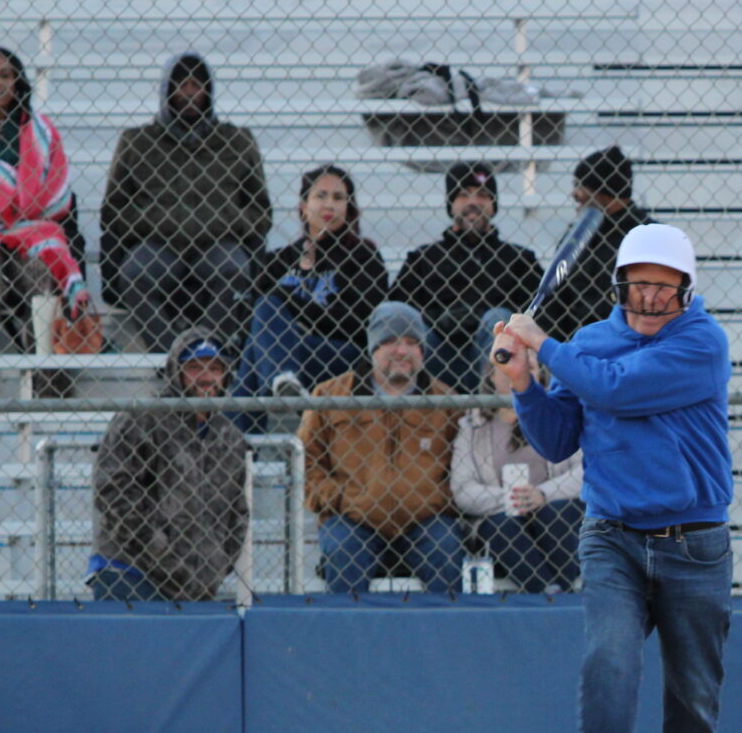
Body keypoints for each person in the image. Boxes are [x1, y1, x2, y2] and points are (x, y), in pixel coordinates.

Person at [494, 224, 742, 733]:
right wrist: (524, 383)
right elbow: (557, 440)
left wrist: (542, 344)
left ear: (686, 289)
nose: (651, 298)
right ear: (620, 285)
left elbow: (618, 389)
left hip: (695, 541)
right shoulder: (589, 343)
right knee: (608, 665)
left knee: (694, 692)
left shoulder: (702, 342)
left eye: (664, 287)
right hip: (612, 537)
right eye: (639, 285)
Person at [101, 51, 271, 352]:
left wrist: (224, 219)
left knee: (235, 268)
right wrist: (159, 219)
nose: (190, 93)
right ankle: (171, 360)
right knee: (134, 273)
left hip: (217, 243)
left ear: (209, 91)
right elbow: (114, 210)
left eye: (197, 85)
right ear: (167, 90)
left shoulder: (237, 141)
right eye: (181, 85)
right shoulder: (137, 141)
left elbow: (260, 211)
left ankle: (206, 356)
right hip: (158, 244)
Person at [298, 301, 464, 595]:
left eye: (412, 343)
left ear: (422, 351)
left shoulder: (446, 401)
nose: (402, 351)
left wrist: (430, 499)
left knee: (447, 548)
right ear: (373, 348)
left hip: (426, 522)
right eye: (391, 341)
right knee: (342, 550)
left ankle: (444, 624)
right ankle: (348, 625)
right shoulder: (330, 395)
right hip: (352, 520)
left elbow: (465, 467)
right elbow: (306, 462)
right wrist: (343, 498)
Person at [86, 328, 248, 602]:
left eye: (215, 368)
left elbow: (237, 511)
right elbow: (112, 488)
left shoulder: (229, 436)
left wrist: (217, 562)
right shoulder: (143, 416)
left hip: (193, 586)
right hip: (130, 572)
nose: (206, 377)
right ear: (175, 371)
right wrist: (158, 547)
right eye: (194, 367)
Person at [238, 164, 389, 411]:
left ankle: (276, 388)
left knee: (265, 325)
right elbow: (250, 319)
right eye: (320, 196)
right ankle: (284, 383)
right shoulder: (278, 260)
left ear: (348, 207)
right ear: (303, 206)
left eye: (338, 198)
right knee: (260, 330)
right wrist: (287, 308)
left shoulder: (364, 256)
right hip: (279, 350)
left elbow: (358, 323)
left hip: (339, 354)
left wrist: (288, 303)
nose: (329, 205)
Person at [451, 330, 583, 593]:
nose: (518, 372)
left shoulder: (560, 414)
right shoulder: (473, 425)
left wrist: (542, 494)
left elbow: (585, 471)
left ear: (541, 375)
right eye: (508, 365)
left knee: (554, 514)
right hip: (502, 512)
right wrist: (512, 498)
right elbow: (462, 488)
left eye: (529, 367)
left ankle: (570, 588)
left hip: (551, 507)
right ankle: (548, 592)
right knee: (500, 525)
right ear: (491, 375)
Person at [0, 46, 92, 346]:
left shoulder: (42, 131)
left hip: (32, 231)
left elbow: (56, 193)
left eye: (5, 75)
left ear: (17, 82)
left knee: (41, 270)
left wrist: (14, 212)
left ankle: (43, 365)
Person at [395, 164, 541, 392]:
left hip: (495, 357)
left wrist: (482, 317)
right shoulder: (423, 258)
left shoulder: (519, 259)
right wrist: (440, 319)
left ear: (493, 204)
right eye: (463, 195)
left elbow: (541, 311)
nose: (473, 202)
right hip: (438, 354)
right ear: (450, 204)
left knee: (498, 317)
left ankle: (492, 402)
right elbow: (401, 311)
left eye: (482, 195)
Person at [535, 146, 648, 343]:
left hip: (625, 340)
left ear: (604, 190)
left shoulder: (646, 236)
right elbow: (556, 299)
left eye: (580, 185)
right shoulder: (577, 234)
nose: (574, 194)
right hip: (572, 342)